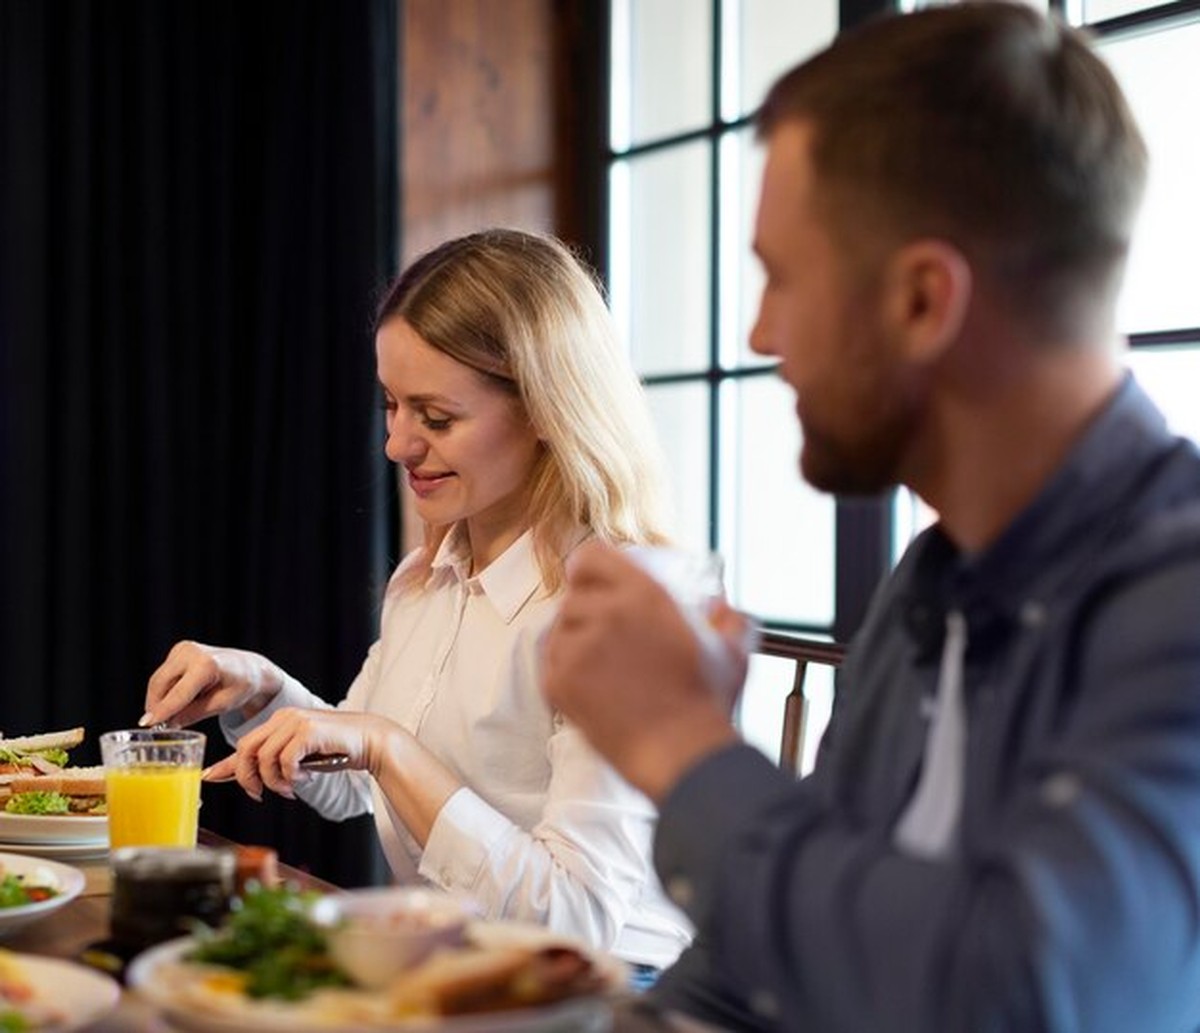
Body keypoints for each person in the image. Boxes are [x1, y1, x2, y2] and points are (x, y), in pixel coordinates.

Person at [543, 4, 1200, 1030]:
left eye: (779, 276)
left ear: (923, 302)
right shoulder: (926, 584)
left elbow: (1021, 999)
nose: (759, 332)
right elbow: (761, 973)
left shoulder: (1176, 598)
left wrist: (682, 744)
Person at [141, 228, 692, 971]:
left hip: (613, 989)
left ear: (543, 409)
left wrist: (388, 745)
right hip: (456, 962)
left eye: (436, 417)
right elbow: (357, 785)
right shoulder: (427, 575)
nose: (398, 445)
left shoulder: (620, 610)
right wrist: (263, 693)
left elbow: (574, 921)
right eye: (392, 406)